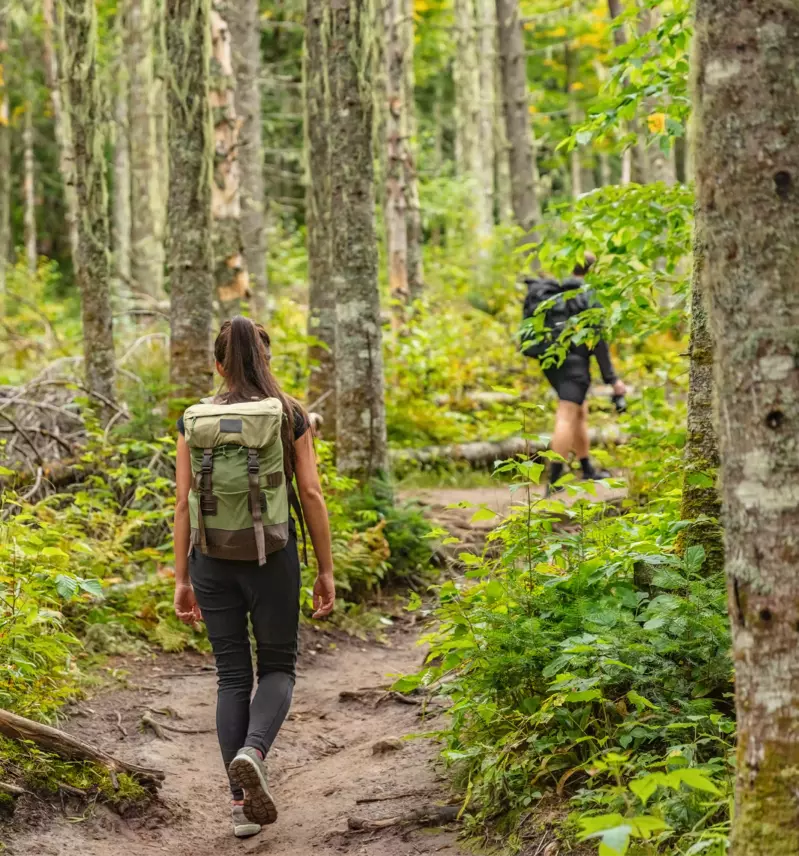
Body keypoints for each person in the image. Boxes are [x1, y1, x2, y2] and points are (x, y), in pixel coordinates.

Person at [172, 316, 336, 839]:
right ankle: (254, 750)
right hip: (273, 558)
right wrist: (327, 570)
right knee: (279, 668)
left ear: (218, 365)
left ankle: (242, 804)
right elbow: (309, 494)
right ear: (266, 361)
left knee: (231, 677)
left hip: (210, 557)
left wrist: (182, 578)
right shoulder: (289, 415)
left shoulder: (194, 420)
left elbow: (182, 503)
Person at [522, 254, 626, 491]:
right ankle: (555, 479)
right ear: (593, 270)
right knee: (566, 415)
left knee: (579, 411)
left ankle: (586, 468)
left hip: (550, 362)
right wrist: (613, 380)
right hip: (575, 365)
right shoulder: (589, 295)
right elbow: (598, 340)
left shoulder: (558, 291)